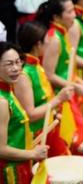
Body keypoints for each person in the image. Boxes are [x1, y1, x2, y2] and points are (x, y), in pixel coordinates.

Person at [15, 21, 73, 156]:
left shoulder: (36, 65)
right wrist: (58, 99)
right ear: (37, 44)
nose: (50, 42)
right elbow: (31, 114)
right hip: (39, 136)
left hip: (49, 126)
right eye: (47, 40)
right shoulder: (24, 74)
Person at [0, 41, 49, 183]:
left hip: (19, 165)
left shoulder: (8, 91)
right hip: (10, 172)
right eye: (9, 64)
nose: (16, 68)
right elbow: (1, 149)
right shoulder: (2, 102)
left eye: (18, 62)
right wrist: (31, 154)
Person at [37, 0, 83, 96]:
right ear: (56, 17)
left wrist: (78, 82)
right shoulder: (54, 39)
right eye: (69, 12)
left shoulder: (62, 33)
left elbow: (65, 67)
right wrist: (74, 86)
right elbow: (49, 74)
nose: (74, 15)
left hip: (68, 88)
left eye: (74, 10)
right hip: (60, 94)